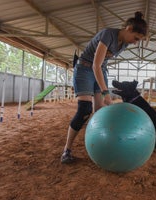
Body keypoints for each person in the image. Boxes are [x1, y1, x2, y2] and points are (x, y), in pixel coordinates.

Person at [61, 11, 148, 164]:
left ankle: (102, 144)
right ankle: (66, 150)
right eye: (136, 38)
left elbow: (101, 65)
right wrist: (105, 91)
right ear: (128, 28)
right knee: (84, 110)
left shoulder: (125, 44)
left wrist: (104, 89)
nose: (136, 42)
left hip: (101, 71)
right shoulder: (108, 34)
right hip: (85, 69)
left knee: (100, 112)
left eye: (139, 40)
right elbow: (96, 64)